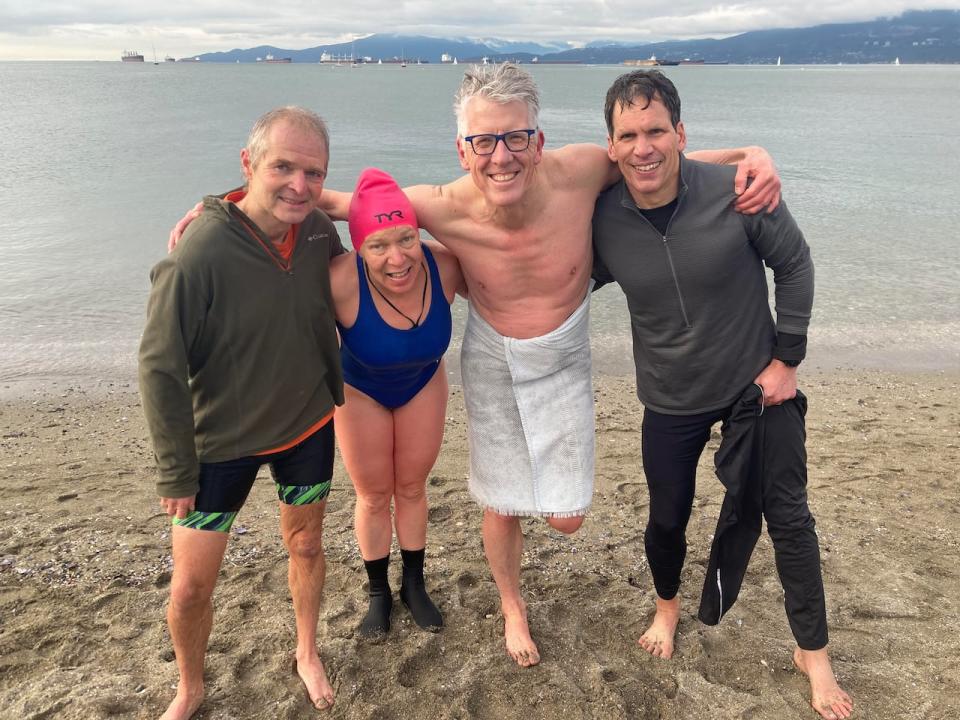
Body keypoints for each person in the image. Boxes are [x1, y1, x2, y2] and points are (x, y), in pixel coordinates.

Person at [169, 62, 781, 668]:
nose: (501, 156)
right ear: (462, 150)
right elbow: (333, 200)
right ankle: (511, 606)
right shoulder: (439, 206)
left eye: (516, 137)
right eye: (483, 140)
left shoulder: (583, 171)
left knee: (567, 519)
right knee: (500, 500)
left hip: (563, 353)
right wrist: (226, 206)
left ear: (538, 142)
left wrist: (751, 153)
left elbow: (657, 159)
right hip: (491, 354)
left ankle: (505, 572)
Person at [591, 70, 853, 720]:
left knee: (789, 517)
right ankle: (667, 608)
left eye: (657, 131)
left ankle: (813, 654)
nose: (645, 147)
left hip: (754, 385)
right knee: (666, 519)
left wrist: (786, 360)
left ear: (680, 134)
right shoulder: (603, 219)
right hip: (671, 396)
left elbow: (794, 263)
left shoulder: (737, 191)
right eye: (630, 135)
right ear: (612, 146)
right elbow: (548, 271)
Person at [139, 106, 345, 719]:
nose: (299, 185)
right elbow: (158, 365)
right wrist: (176, 470)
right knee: (191, 585)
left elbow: (384, 228)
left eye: (314, 172)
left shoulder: (317, 234)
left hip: (306, 424)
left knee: (306, 547)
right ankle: (191, 686)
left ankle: (307, 650)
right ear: (248, 162)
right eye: (283, 166)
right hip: (218, 441)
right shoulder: (198, 251)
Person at [331, 168, 464, 636]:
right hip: (359, 390)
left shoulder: (446, 265)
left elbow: (508, 269)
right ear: (358, 247)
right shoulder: (338, 282)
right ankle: (376, 592)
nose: (397, 257)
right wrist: (215, 212)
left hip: (422, 384)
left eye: (406, 238)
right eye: (377, 245)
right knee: (372, 495)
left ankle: (413, 584)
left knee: (411, 488)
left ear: (419, 231)